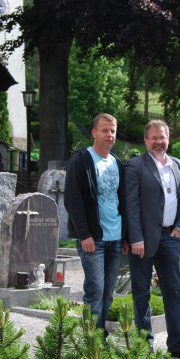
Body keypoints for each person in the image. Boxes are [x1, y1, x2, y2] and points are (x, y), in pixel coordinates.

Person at [126, 119, 180, 359]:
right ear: (146, 140)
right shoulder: (135, 166)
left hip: (170, 238)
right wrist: (135, 238)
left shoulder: (179, 166)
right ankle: (144, 344)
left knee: (174, 292)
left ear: (168, 139)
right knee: (141, 292)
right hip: (142, 241)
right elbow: (131, 205)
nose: (158, 142)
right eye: (154, 138)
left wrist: (179, 228)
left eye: (162, 137)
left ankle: (177, 344)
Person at [65, 113, 128, 331]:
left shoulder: (117, 163)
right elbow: (72, 199)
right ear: (94, 133)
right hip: (94, 239)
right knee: (95, 291)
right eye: (104, 130)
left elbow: (122, 201)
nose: (109, 135)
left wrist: (126, 236)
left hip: (115, 238)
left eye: (112, 131)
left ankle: (100, 337)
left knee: (108, 293)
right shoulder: (81, 159)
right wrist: (84, 234)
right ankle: (90, 341)